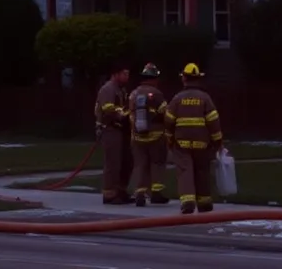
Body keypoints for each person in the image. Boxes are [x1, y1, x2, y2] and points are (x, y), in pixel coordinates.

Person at [163, 62, 223, 214]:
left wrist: (169, 140)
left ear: (184, 79)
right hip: (202, 144)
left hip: (181, 144)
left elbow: (169, 121)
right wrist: (217, 142)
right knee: (202, 171)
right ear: (198, 79)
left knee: (185, 171)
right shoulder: (205, 98)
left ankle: (188, 202)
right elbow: (213, 122)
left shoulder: (177, 99)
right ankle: (204, 202)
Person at [127, 62, 169, 206]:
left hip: (137, 136)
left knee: (140, 165)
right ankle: (156, 193)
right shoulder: (156, 93)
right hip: (156, 136)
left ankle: (139, 193)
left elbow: (130, 113)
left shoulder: (133, 94)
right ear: (153, 78)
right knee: (157, 163)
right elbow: (165, 112)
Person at [94, 60, 132, 204]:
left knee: (126, 162)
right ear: (115, 74)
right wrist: (123, 116)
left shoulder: (121, 90)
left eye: (128, 74)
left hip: (120, 129)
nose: (127, 77)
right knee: (113, 162)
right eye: (124, 74)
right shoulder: (108, 89)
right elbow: (109, 110)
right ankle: (109, 194)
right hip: (109, 129)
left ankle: (120, 191)